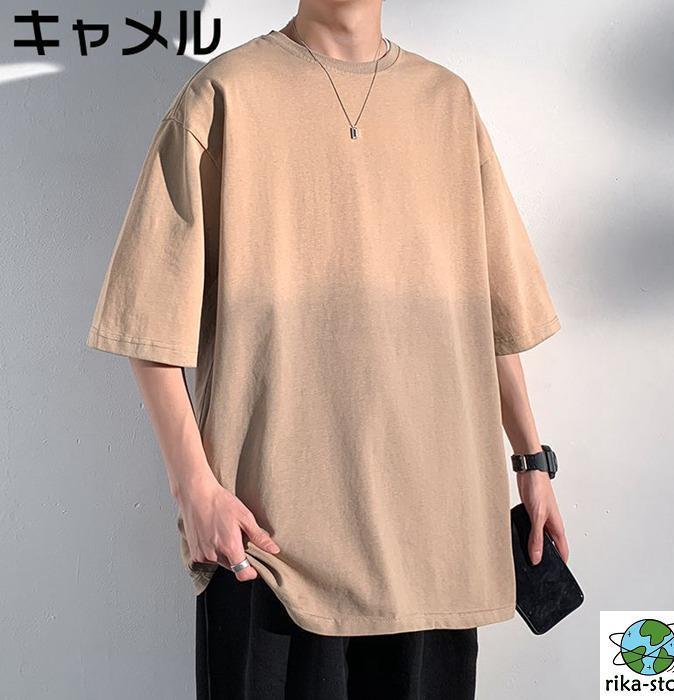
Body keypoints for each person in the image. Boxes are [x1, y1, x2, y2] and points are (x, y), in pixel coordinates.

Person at [86, 1, 570, 697]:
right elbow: (148, 320)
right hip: (272, 549)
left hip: (433, 544)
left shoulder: (447, 103)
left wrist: (531, 462)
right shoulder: (225, 95)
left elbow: (490, 311)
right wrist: (193, 489)